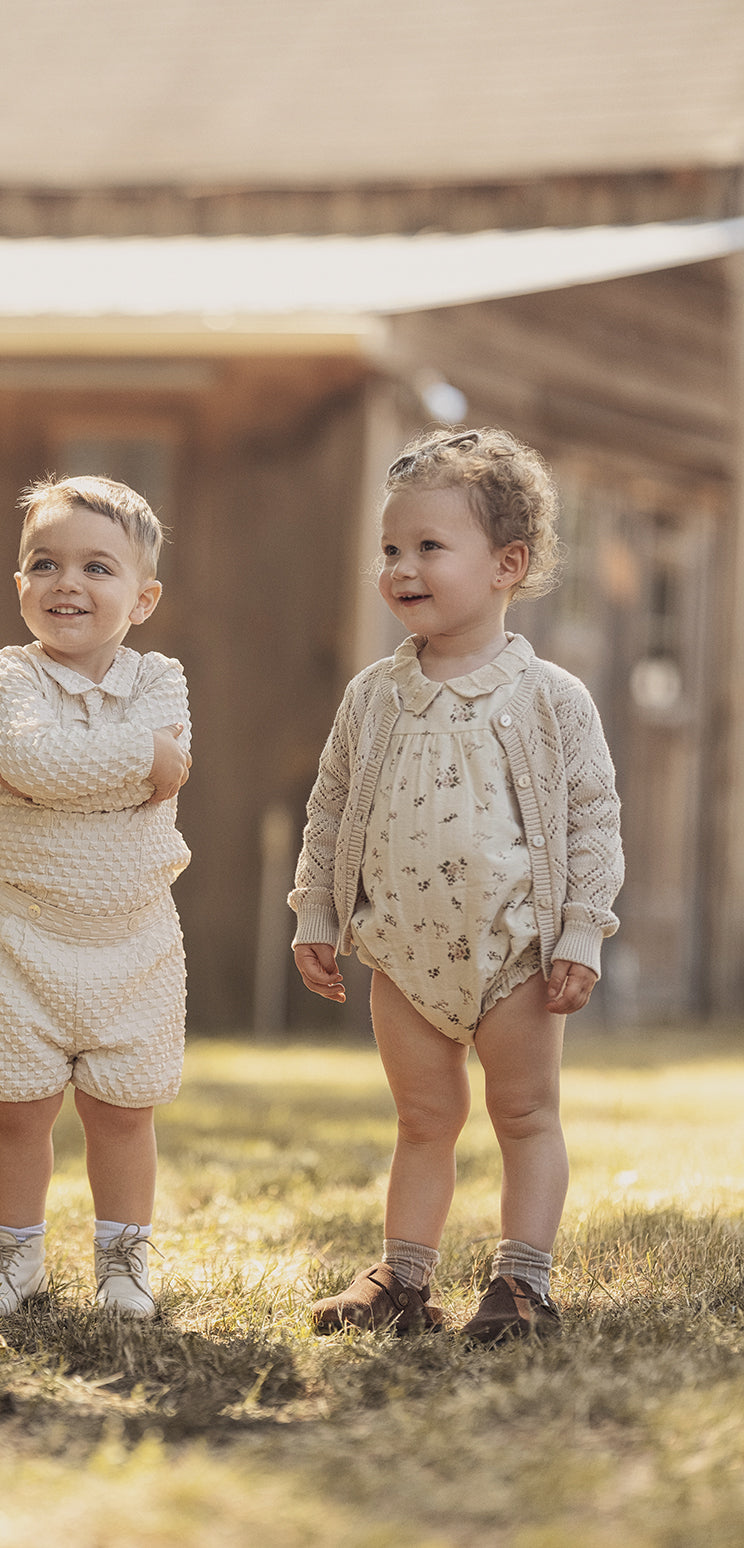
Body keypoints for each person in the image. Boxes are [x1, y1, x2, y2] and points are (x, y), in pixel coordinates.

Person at [290, 428, 623, 1344]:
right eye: (391, 549)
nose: (402, 567)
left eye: (429, 547)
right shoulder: (373, 696)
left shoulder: (552, 698)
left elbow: (593, 820)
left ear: (507, 564)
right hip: (401, 947)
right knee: (423, 1117)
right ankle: (402, 1278)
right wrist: (318, 910)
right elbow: (331, 808)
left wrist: (581, 933)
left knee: (524, 1111)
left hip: (518, 948)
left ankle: (521, 1283)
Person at [0, 474, 192, 1321]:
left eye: (98, 568)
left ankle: (124, 1264)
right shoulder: (9, 676)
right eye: (45, 564)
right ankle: (13, 1260)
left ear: (143, 596)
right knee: (17, 1110)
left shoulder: (162, 680)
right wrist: (131, 762)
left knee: (121, 1112)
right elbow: (43, 764)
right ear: (20, 584)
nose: (68, 583)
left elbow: (50, 770)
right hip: (21, 930)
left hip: (133, 935)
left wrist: (45, 770)